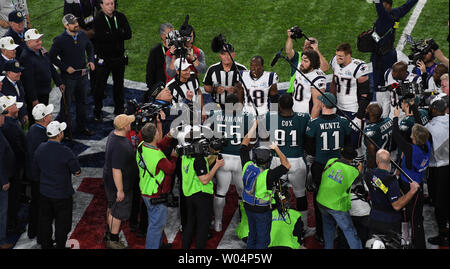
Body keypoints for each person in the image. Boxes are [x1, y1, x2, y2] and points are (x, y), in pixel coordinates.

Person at [305, 92, 352, 243]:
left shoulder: (314, 123)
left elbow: (310, 148)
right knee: (341, 197)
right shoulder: (344, 122)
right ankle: (341, 230)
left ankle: (321, 234)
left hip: (321, 166)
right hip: (340, 166)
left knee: (320, 201)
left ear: (323, 105)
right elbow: (349, 144)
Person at [262, 94, 311, 232]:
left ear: (279, 106)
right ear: (292, 104)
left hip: (277, 160)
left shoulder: (270, 117)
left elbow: (265, 138)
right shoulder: (304, 117)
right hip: (296, 160)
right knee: (300, 194)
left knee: (277, 193)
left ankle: (279, 223)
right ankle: (304, 227)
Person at [240, 120, 290, 249]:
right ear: (268, 161)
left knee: (252, 235)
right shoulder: (269, 175)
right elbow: (286, 165)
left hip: (248, 205)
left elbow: (244, 145)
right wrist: (276, 148)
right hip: (262, 210)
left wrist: (254, 125)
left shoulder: (247, 165)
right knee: (262, 241)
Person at [33, 120, 81, 249]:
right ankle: (60, 246)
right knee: (62, 224)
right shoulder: (65, 151)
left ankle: (46, 245)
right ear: (59, 134)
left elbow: (36, 167)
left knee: (45, 221)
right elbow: (77, 171)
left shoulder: (40, 148)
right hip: (62, 195)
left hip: (44, 193)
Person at [206, 94, 249, 232]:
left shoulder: (215, 114)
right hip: (239, 159)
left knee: (220, 192)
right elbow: (251, 140)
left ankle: (218, 223)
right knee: (243, 192)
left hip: (222, 158)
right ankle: (244, 219)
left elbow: (207, 135)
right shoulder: (246, 117)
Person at [49, 13, 95, 136]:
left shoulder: (82, 35)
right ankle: (65, 131)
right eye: (73, 23)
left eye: (76, 22)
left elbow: (90, 47)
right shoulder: (59, 40)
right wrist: (65, 67)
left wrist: (91, 59)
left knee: (83, 103)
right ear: (66, 25)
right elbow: (51, 57)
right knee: (66, 106)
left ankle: (82, 127)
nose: (76, 25)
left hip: (82, 76)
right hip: (68, 78)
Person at [392, 105, 431, 249]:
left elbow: (396, 135)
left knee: (413, 218)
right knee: (416, 214)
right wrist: (413, 105)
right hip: (419, 181)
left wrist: (395, 117)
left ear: (414, 139)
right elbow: (420, 123)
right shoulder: (427, 144)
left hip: (408, 186)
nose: (410, 136)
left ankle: (418, 244)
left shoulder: (410, 150)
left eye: (412, 135)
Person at [180, 128, 225, 249]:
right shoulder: (198, 159)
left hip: (189, 195)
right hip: (201, 196)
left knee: (189, 225)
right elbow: (204, 179)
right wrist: (217, 165)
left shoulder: (186, 155)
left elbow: (197, 169)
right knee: (203, 228)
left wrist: (212, 157)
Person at [137, 121, 177, 249]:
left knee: (154, 221)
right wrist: (174, 157)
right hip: (156, 193)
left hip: (145, 189)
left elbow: (157, 145)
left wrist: (168, 137)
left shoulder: (142, 145)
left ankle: (159, 245)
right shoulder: (158, 156)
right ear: (154, 136)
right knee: (156, 225)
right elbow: (170, 169)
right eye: (158, 132)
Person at [329, 43, 371, 163]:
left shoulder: (359, 67)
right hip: (339, 108)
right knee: (340, 141)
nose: (338, 59)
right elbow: (333, 83)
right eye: (337, 56)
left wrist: (359, 115)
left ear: (348, 55)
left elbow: (365, 94)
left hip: (353, 109)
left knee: (355, 144)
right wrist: (331, 103)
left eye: (341, 57)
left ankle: (359, 171)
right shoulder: (334, 62)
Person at [316, 144, 363, 249]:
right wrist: (360, 168)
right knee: (349, 230)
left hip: (322, 202)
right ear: (353, 158)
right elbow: (358, 180)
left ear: (341, 154)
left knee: (328, 228)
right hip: (336, 206)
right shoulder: (353, 171)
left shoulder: (331, 161)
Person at [364, 149, 419, 238]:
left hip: (374, 219)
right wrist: (411, 191)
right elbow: (396, 205)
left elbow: (382, 186)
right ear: (390, 161)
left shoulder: (369, 175)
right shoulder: (391, 182)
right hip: (390, 222)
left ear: (377, 161)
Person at [103, 114, 138, 249]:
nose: (131, 124)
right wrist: (120, 190)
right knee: (117, 212)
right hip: (117, 183)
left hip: (110, 180)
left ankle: (109, 233)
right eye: (129, 122)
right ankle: (113, 240)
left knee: (112, 207)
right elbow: (116, 170)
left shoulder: (114, 134)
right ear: (124, 127)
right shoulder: (120, 145)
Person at [93, 0, 132, 121]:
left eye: (112, 3)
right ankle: (97, 110)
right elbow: (100, 38)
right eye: (107, 4)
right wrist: (119, 33)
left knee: (119, 85)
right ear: (101, 5)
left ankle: (119, 108)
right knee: (100, 87)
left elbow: (129, 34)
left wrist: (111, 34)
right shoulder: (98, 19)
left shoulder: (120, 16)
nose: (110, 6)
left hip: (119, 58)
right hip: (104, 60)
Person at [370, 0, 419, 93]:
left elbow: (379, 8)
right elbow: (407, 6)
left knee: (379, 85)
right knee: (391, 80)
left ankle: (384, 101)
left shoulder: (385, 17)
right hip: (390, 54)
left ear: (388, 5)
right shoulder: (395, 13)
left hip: (380, 57)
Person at [20, 28, 64, 125]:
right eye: (37, 41)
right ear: (29, 42)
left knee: (45, 116)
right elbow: (28, 81)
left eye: (40, 39)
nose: (40, 42)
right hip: (36, 94)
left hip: (44, 91)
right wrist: (33, 99)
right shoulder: (25, 57)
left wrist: (59, 82)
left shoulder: (41, 50)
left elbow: (50, 67)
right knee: (37, 120)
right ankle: (37, 137)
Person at [25, 103, 53, 241]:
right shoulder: (41, 135)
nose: (51, 115)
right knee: (42, 207)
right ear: (44, 118)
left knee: (35, 204)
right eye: (48, 114)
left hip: (34, 175)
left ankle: (32, 231)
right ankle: (42, 237)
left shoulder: (34, 129)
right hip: (39, 177)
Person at [0, 95, 26, 236]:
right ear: (7, 109)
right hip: (12, 169)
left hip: (13, 167)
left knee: (14, 197)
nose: (17, 106)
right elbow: (17, 147)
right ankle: (11, 225)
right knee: (11, 199)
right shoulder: (9, 126)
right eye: (14, 104)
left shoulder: (11, 122)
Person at [425, 98, 449, 246]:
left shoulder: (430, 127)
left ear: (434, 110)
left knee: (440, 203)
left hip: (439, 168)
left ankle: (444, 234)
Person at [203, 43, 247, 108]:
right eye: (223, 54)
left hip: (236, 106)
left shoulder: (242, 69)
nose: (226, 57)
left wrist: (236, 90)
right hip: (217, 106)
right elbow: (206, 87)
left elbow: (248, 88)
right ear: (220, 55)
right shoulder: (212, 69)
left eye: (229, 54)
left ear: (233, 55)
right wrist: (215, 89)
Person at [285, 29, 329, 94]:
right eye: (306, 46)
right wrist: (290, 37)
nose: (307, 48)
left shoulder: (317, 59)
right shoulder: (298, 56)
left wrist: (316, 50)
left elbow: (325, 68)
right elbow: (288, 51)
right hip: (293, 92)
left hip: (310, 93)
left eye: (310, 47)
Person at [165, 16, 206, 83]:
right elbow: (170, 74)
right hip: (175, 87)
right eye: (187, 38)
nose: (189, 40)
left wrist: (193, 59)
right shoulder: (170, 53)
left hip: (191, 86)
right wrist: (174, 56)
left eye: (191, 37)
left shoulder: (198, 52)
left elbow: (203, 70)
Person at [288, 49, 326, 117]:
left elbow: (317, 106)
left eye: (306, 61)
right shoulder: (300, 66)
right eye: (302, 59)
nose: (302, 63)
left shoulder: (318, 78)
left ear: (313, 63)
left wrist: (311, 124)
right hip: (294, 111)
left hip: (306, 115)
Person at [144, 22, 174, 103]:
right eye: (170, 34)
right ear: (162, 36)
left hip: (175, 88)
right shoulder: (155, 51)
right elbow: (150, 73)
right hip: (161, 91)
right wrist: (154, 90)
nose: (173, 36)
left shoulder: (177, 49)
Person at [0, 103, 15, 249]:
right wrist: (4, 180)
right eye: (1, 115)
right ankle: (1, 241)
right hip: (1, 181)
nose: (3, 117)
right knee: (2, 212)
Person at [364, 102, 393, 169]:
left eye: (367, 109)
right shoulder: (388, 121)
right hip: (387, 158)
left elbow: (372, 154)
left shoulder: (370, 131)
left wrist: (370, 169)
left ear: (371, 114)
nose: (365, 110)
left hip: (378, 163)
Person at [1, 59, 27, 124]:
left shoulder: (18, 81)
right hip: (11, 119)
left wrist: (24, 113)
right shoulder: (3, 86)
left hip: (20, 117)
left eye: (20, 71)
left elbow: (21, 98)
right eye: (17, 72)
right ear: (8, 72)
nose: (20, 74)